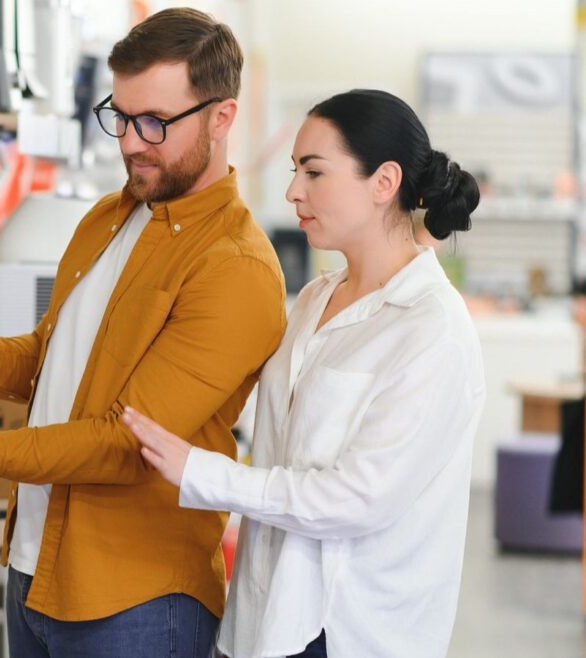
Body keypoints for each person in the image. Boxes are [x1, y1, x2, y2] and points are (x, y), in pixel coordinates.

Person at [0, 7, 287, 657]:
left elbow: (121, 445)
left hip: (139, 602)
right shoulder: (108, 217)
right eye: (121, 116)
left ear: (222, 117)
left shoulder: (234, 269)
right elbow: (57, 364)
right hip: (35, 569)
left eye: (156, 122)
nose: (131, 142)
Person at [122, 88, 485, 658]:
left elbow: (356, 499)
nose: (294, 191)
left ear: (384, 183)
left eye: (314, 172)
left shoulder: (431, 329)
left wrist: (205, 474)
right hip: (263, 619)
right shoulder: (316, 298)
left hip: (347, 631)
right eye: (296, 171)